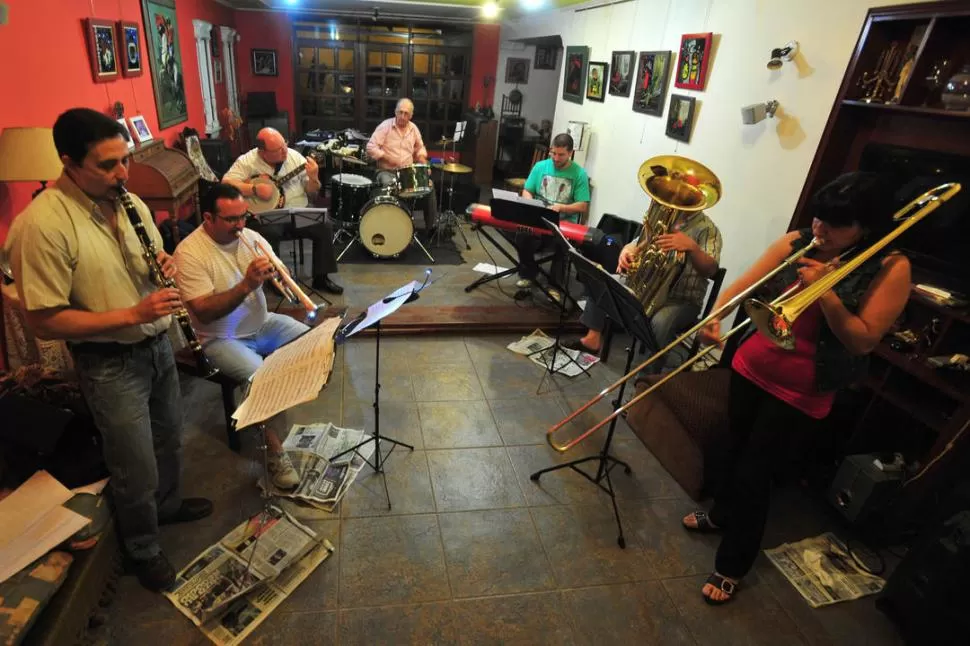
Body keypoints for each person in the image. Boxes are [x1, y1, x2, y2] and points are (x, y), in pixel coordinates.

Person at [2, 107, 213, 592]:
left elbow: (140, 266)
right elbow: (43, 318)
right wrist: (133, 314)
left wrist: (158, 261)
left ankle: (169, 506)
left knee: (169, 436)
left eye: (125, 159)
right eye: (108, 164)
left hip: (158, 345)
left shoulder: (130, 202)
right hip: (109, 362)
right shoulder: (42, 226)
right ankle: (142, 547)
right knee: (133, 462)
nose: (123, 173)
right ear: (68, 162)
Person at [683, 172, 911, 605]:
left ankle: (733, 563)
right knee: (733, 449)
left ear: (866, 226)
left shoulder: (890, 266)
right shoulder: (799, 241)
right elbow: (743, 285)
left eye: (834, 225)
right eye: (819, 218)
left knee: (756, 474)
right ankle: (721, 515)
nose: (819, 230)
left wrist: (826, 292)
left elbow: (862, 340)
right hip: (751, 365)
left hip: (801, 392)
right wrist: (715, 315)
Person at [172, 184, 307, 490]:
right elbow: (204, 312)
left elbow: (277, 275)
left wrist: (276, 276)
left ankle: (272, 405)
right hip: (219, 338)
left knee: (313, 343)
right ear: (208, 217)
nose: (241, 225)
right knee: (262, 378)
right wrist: (247, 285)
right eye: (232, 219)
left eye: (243, 216)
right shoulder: (189, 254)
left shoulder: (252, 237)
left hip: (262, 324)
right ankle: (275, 451)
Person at [567, 199, 722, 373]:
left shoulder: (708, 229)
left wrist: (692, 248)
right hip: (649, 283)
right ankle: (592, 338)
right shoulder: (665, 215)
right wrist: (628, 250)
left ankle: (646, 379)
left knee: (661, 322)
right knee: (603, 281)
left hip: (681, 299)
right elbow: (640, 241)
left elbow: (711, 269)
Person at [223, 127, 343, 295]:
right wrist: (253, 189)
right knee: (265, 233)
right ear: (262, 152)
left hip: (299, 212)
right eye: (278, 149)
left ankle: (321, 278)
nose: (285, 151)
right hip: (268, 217)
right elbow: (226, 184)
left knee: (325, 225)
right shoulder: (247, 161)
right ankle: (277, 280)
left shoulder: (294, 157)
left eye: (284, 145)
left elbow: (312, 191)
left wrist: (314, 177)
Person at [514, 132, 591, 305]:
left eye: (561, 154)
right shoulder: (540, 166)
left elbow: (583, 205)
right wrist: (529, 201)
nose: (556, 158)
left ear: (570, 153)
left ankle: (554, 286)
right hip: (539, 218)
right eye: (553, 153)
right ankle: (528, 273)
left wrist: (561, 207)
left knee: (561, 246)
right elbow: (528, 189)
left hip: (563, 224)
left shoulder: (579, 174)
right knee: (521, 236)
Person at [365, 98, 438, 236]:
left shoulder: (413, 129)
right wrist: (387, 157)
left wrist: (422, 160)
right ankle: (391, 227)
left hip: (407, 172)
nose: (403, 117)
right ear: (395, 112)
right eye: (400, 112)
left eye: (406, 114)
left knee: (430, 187)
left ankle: (430, 229)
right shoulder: (385, 126)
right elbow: (371, 147)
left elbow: (420, 148)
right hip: (386, 171)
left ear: (411, 115)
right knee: (389, 183)